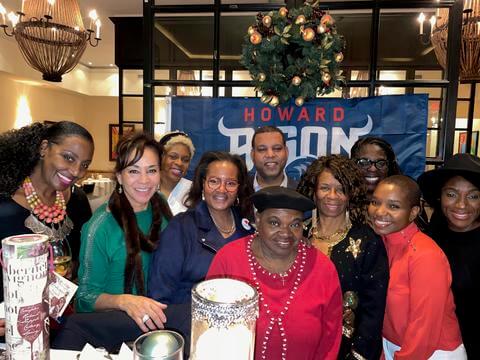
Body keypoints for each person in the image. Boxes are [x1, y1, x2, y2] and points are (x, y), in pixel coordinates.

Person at [207, 186, 342, 360]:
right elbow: (209, 331)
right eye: (274, 222)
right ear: (258, 219)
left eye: (294, 224)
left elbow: (330, 341)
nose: (285, 233)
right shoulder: (229, 259)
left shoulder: (322, 268)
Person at [76, 132, 172, 332]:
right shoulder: (100, 227)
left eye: (152, 170)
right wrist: (124, 301)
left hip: (159, 316)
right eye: (133, 171)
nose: (144, 180)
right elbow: (84, 297)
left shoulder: (160, 205)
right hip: (117, 327)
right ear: (119, 176)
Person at [297, 155, 388, 360]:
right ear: (313, 191)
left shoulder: (367, 241)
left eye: (341, 189)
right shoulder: (296, 234)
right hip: (298, 343)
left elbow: (374, 311)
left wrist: (359, 354)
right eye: (325, 188)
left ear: (350, 194)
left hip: (345, 349)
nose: (333, 195)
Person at [368, 175, 466, 359]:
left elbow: (425, 326)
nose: (380, 212)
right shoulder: (380, 243)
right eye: (375, 202)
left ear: (413, 212)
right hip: (393, 345)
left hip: (434, 352)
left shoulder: (425, 254)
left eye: (393, 206)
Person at [0, 121, 95, 300]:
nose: (76, 171)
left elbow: (83, 259)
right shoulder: (5, 205)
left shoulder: (77, 200)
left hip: (61, 316)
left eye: (84, 165)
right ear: (44, 148)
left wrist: (69, 272)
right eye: (68, 157)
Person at [148, 151, 254, 305]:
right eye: (214, 181)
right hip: (186, 321)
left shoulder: (248, 232)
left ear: (239, 187)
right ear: (203, 184)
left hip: (238, 323)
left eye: (230, 183)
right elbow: (159, 295)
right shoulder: (180, 228)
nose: (222, 189)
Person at [418, 153, 480, 359]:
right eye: (451, 194)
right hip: (438, 348)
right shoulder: (430, 238)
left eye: (473, 196)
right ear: (439, 196)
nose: (461, 205)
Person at [350, 136, 401, 200]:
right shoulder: (342, 203)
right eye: (364, 162)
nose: (373, 169)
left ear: (389, 167)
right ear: (352, 165)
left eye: (380, 163)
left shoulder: (402, 202)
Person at [158, 131, 195, 215]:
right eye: (173, 157)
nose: (179, 163)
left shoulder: (194, 191)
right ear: (161, 157)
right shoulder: (146, 187)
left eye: (185, 160)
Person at [250, 126, 298, 191]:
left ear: (286, 152)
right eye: (262, 149)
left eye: (277, 148)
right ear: (252, 155)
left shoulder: (302, 193)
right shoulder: (238, 191)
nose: (270, 155)